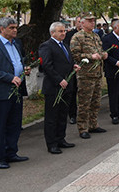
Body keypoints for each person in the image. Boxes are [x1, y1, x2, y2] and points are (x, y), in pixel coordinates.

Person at [0, 17, 30, 169]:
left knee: (14, 124)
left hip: (16, 90)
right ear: (2, 29)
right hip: (0, 92)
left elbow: (16, 62)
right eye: (11, 28)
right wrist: (9, 77)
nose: (15, 30)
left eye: (15, 27)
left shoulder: (16, 43)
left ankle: (11, 152)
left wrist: (24, 69)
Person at [39, 22, 79, 154]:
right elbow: (47, 66)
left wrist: (73, 66)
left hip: (67, 86)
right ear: (53, 33)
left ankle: (61, 139)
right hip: (54, 87)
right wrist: (59, 80)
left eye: (64, 31)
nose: (63, 33)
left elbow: (67, 62)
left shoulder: (65, 46)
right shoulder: (46, 46)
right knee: (52, 117)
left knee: (62, 115)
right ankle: (52, 144)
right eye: (60, 31)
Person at [70, 12, 108, 139]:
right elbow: (74, 55)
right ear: (82, 23)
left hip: (97, 73)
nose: (93, 23)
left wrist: (103, 54)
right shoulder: (78, 37)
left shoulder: (96, 36)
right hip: (85, 75)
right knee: (84, 103)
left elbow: (99, 51)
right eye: (90, 21)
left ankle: (93, 124)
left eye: (93, 20)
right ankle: (82, 128)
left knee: (96, 102)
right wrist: (89, 56)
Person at [63, 16, 81, 125]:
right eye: (79, 22)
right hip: (73, 68)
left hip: (87, 69)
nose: (81, 24)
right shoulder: (70, 35)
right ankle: (73, 115)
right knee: (72, 92)